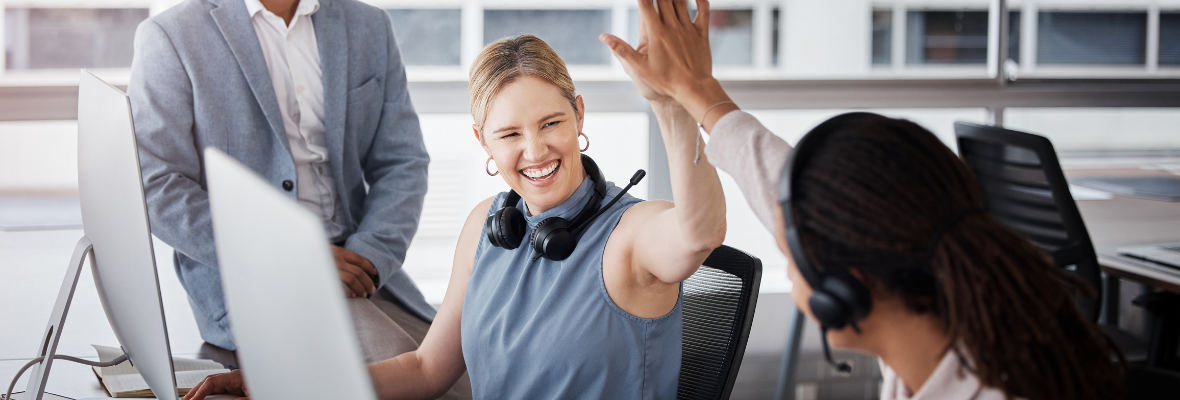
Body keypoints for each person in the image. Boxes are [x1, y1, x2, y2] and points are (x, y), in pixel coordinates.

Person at [598, 0, 1127, 399]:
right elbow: (773, 173)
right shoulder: (945, 328)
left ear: (843, 291)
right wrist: (698, 90)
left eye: (792, 246)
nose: (783, 227)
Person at [184, 33, 726, 399]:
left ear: (578, 114)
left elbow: (698, 234)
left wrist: (673, 108)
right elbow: (426, 370)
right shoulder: (488, 225)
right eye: (510, 134)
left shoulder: (633, 233)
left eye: (551, 123)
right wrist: (268, 384)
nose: (535, 151)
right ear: (483, 143)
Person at [129, 0, 469, 396]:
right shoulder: (171, 36)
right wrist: (292, 257)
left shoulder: (369, 25)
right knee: (398, 372)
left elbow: (403, 162)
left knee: (466, 369)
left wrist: (371, 256)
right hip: (252, 278)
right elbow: (155, 182)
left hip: (362, 267)